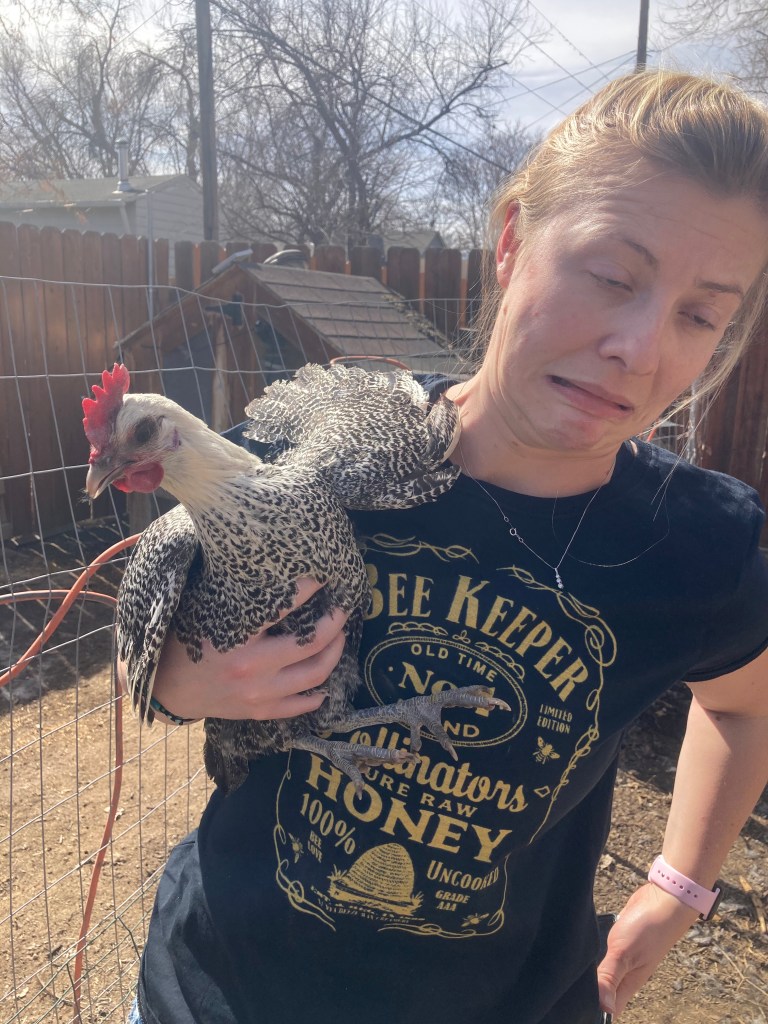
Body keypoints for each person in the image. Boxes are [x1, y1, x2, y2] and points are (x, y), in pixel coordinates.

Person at [125, 69, 768, 1024]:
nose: (639, 347)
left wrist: (679, 887)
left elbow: (745, 709)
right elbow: (153, 632)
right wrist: (180, 683)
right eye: (612, 277)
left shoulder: (704, 549)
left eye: (701, 314)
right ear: (511, 243)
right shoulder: (324, 448)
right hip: (219, 991)